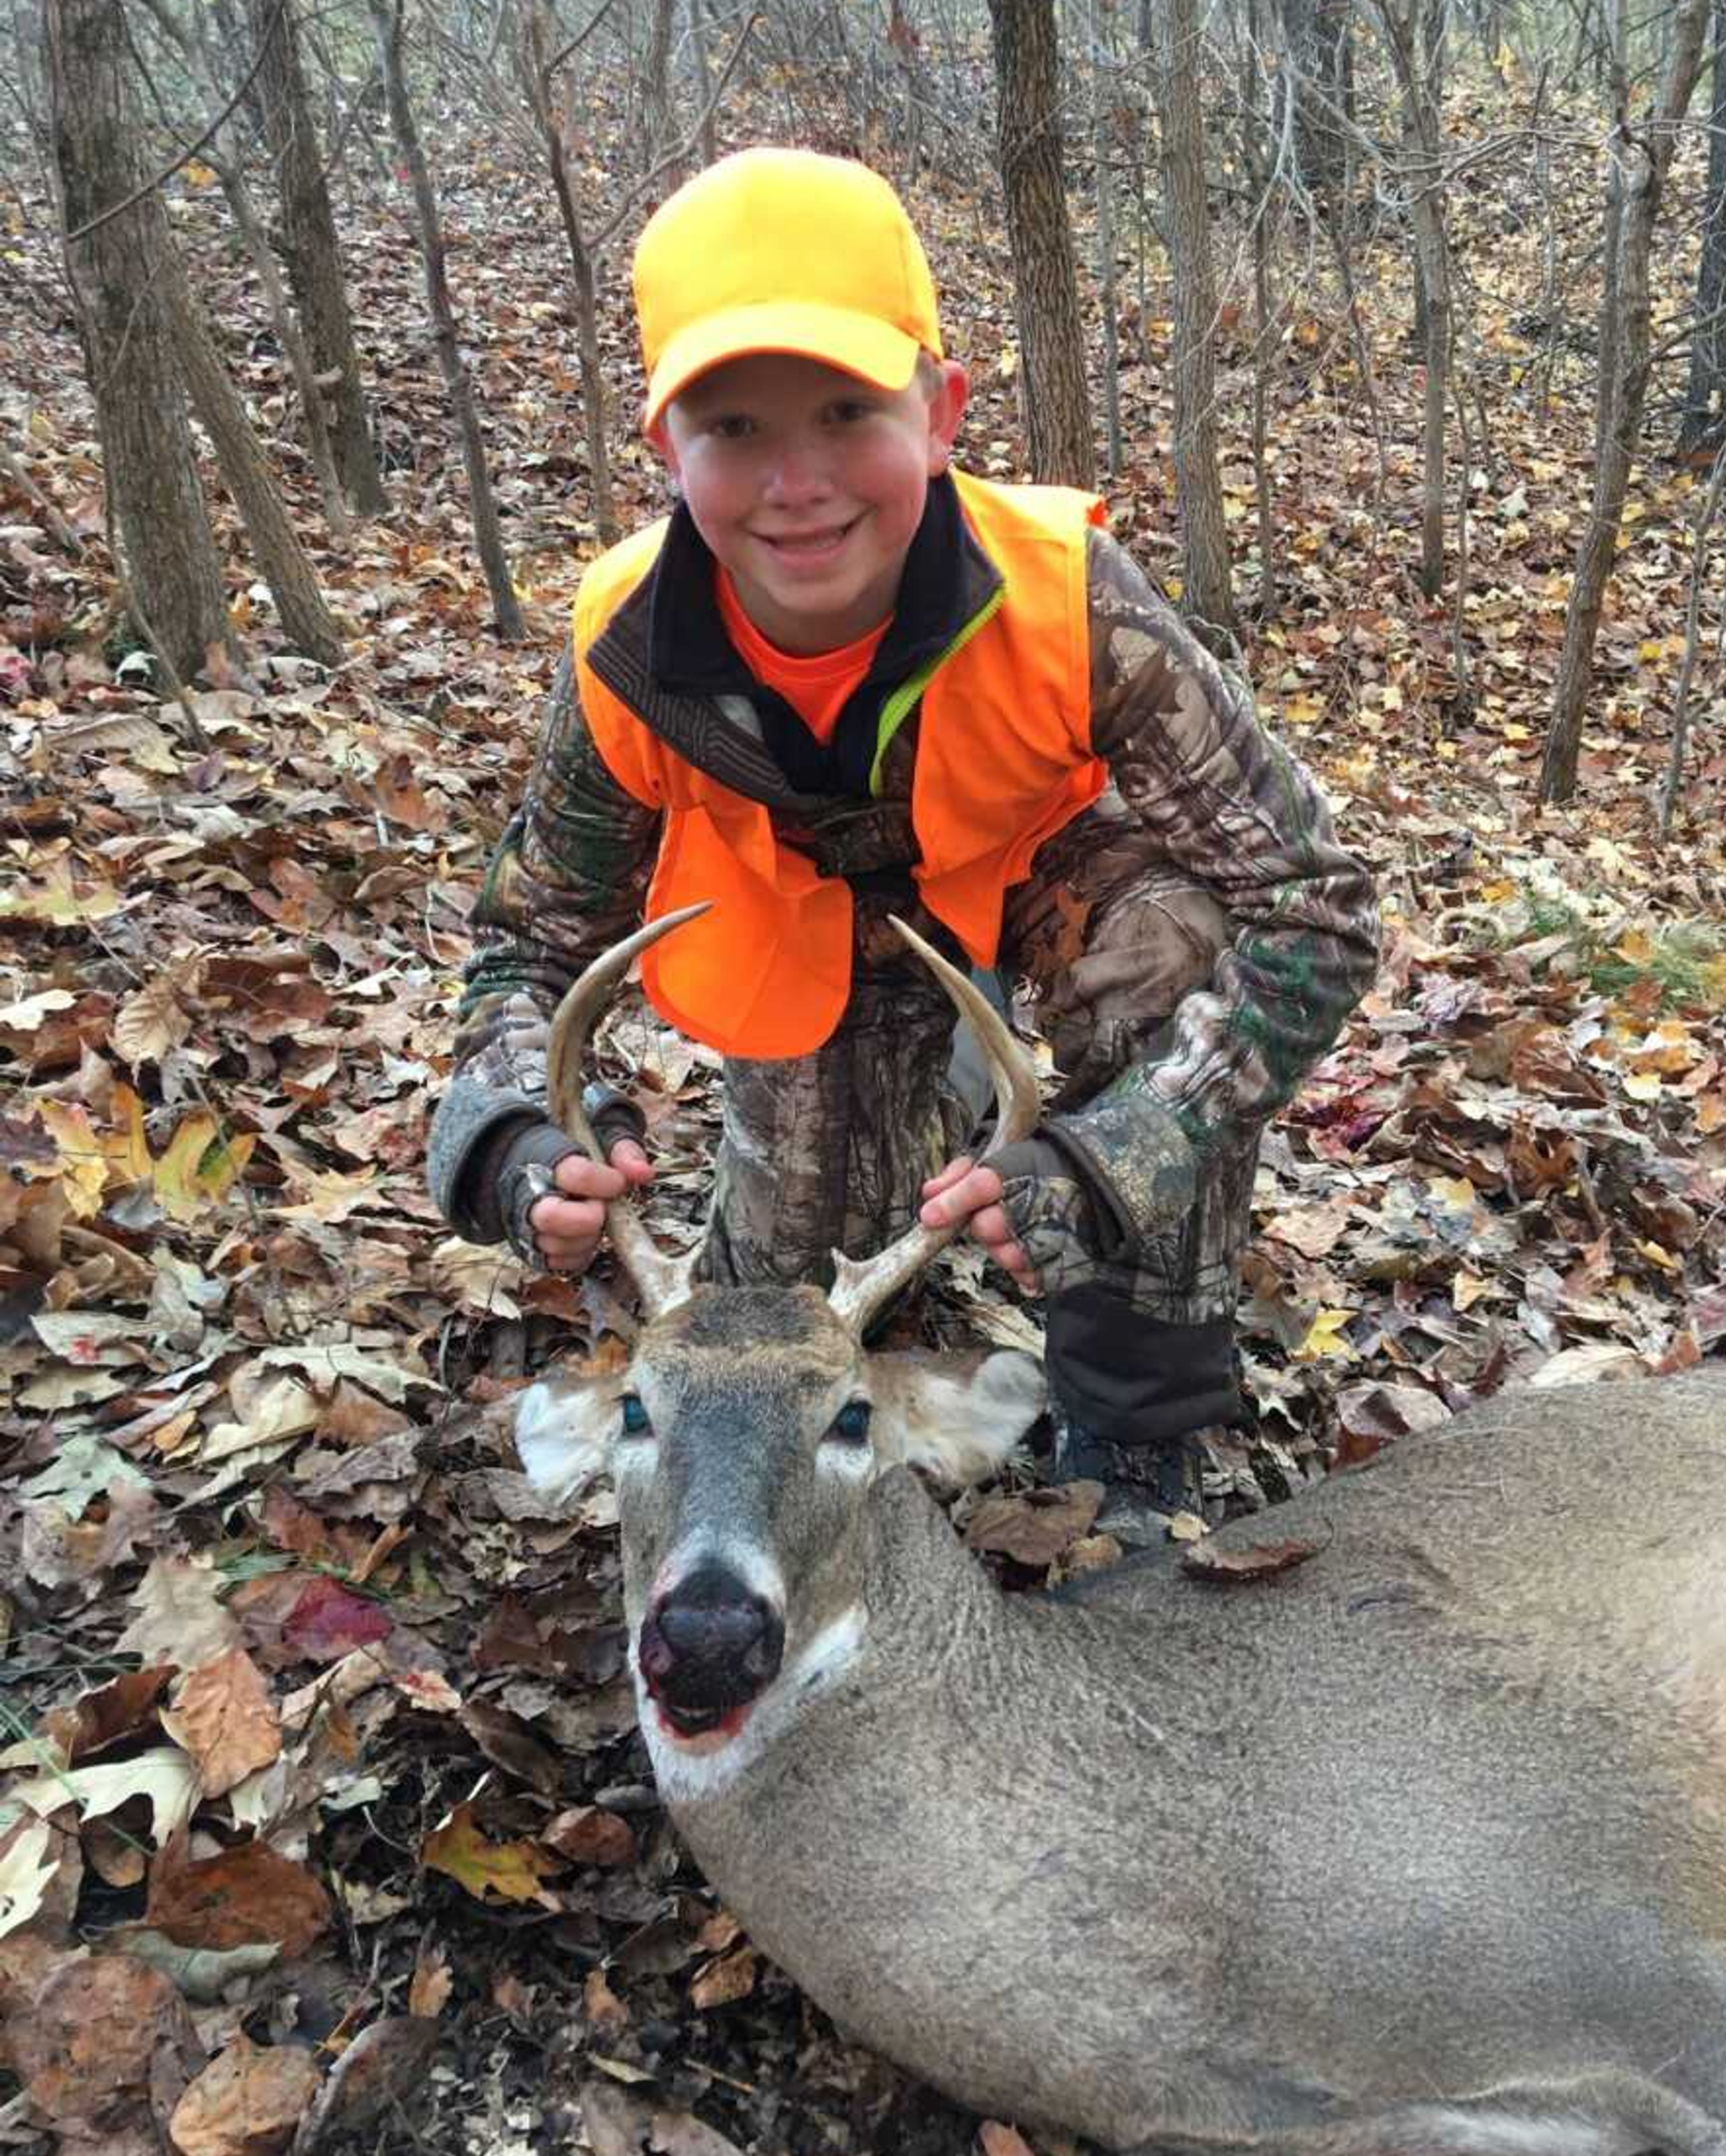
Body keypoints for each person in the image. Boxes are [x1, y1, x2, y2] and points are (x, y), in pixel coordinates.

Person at [427, 145, 1379, 1528]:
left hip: (1034, 882)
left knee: (1177, 947)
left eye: (845, 409)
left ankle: (1130, 1427)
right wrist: (522, 1142)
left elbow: (1317, 904)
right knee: (781, 1291)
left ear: (941, 413)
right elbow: (524, 949)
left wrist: (1114, 1159)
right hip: (806, 943)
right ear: (665, 454)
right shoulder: (629, 650)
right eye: (733, 428)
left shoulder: (1068, 603)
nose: (797, 479)